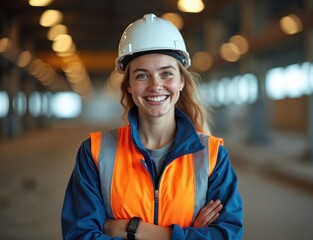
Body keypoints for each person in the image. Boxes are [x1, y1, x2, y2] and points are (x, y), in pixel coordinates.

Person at [61, 13, 244, 239]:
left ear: (181, 82)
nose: (156, 85)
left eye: (166, 73)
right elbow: (80, 234)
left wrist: (132, 229)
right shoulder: (95, 152)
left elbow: (227, 234)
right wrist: (190, 234)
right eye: (142, 75)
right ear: (128, 85)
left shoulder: (212, 155)